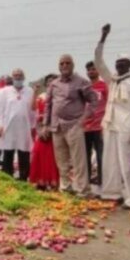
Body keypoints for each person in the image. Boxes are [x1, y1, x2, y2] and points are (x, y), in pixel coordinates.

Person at [95, 24, 130, 209]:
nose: (119, 66)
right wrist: (103, 38)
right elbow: (98, 62)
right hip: (110, 125)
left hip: (127, 127)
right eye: (117, 64)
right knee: (109, 162)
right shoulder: (112, 79)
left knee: (128, 164)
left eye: (123, 64)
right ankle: (111, 193)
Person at [45, 54, 98, 196]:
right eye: (62, 63)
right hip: (57, 126)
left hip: (74, 125)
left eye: (67, 63)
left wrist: (83, 119)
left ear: (73, 65)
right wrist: (46, 125)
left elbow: (93, 101)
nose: (64, 66)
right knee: (61, 160)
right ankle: (65, 186)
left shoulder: (81, 82)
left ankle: (83, 189)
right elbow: (48, 105)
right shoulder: (54, 84)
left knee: (78, 160)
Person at [0, 68, 35, 181]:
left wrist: (33, 126)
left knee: (24, 152)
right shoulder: (5, 91)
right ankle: (7, 177)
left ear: (24, 77)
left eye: (20, 75)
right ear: (12, 77)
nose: (17, 77)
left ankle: (23, 178)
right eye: (15, 75)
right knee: (8, 152)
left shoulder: (30, 91)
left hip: (24, 127)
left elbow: (33, 110)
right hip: (8, 127)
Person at [29, 74, 59, 190]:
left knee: (53, 157)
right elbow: (33, 110)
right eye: (48, 82)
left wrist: (51, 129)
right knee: (38, 154)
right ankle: (40, 182)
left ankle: (54, 182)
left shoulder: (60, 97)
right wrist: (35, 92)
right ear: (45, 84)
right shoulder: (41, 97)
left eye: (53, 81)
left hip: (55, 130)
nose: (50, 83)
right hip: (41, 130)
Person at [83, 61, 107, 185]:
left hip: (99, 126)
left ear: (98, 71)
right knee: (85, 156)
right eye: (89, 70)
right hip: (85, 127)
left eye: (93, 69)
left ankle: (102, 181)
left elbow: (109, 104)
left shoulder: (104, 86)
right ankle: (86, 182)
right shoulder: (84, 87)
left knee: (101, 155)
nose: (91, 71)